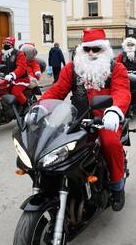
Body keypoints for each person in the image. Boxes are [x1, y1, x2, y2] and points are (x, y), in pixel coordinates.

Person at [40, 28, 131, 211]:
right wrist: (39, 107)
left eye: (96, 49)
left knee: (110, 143)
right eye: (87, 49)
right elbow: (57, 91)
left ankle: (117, 186)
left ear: (104, 50)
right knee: (51, 145)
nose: (91, 53)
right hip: (76, 120)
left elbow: (122, 91)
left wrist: (114, 111)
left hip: (106, 121)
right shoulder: (72, 68)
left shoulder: (116, 68)